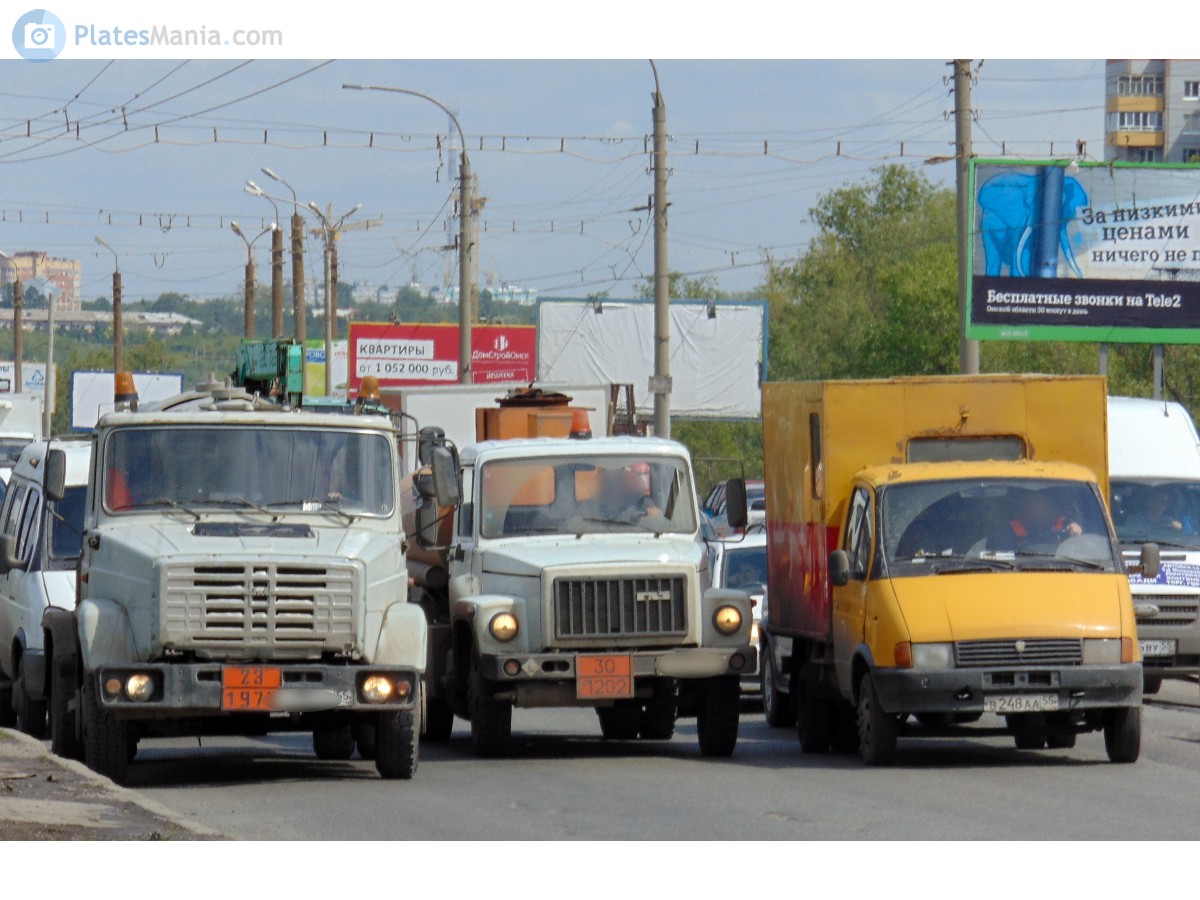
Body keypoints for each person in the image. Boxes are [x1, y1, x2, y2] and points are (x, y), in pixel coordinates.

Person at [993, 491, 1082, 552]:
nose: (1036, 509)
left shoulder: (1065, 524)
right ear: (1023, 507)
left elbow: (1084, 547)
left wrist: (1078, 533)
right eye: (1031, 504)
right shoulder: (1009, 530)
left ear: (1050, 506)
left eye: (1041, 504)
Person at [1125, 486, 1190, 535]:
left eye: (1163, 502)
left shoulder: (1171, 523)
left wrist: (1178, 529)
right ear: (1148, 502)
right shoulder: (1133, 521)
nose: (1158, 505)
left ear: (1166, 507)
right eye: (1155, 500)